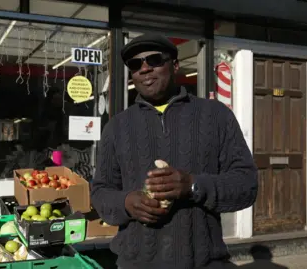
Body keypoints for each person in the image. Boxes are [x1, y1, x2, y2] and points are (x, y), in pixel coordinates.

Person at [90, 34, 258, 269]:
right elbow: (100, 192)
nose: (145, 69)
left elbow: (247, 185)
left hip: (205, 263)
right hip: (136, 264)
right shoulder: (116, 127)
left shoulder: (216, 116)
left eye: (155, 60)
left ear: (175, 65)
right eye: (136, 65)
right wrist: (126, 202)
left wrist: (192, 186)